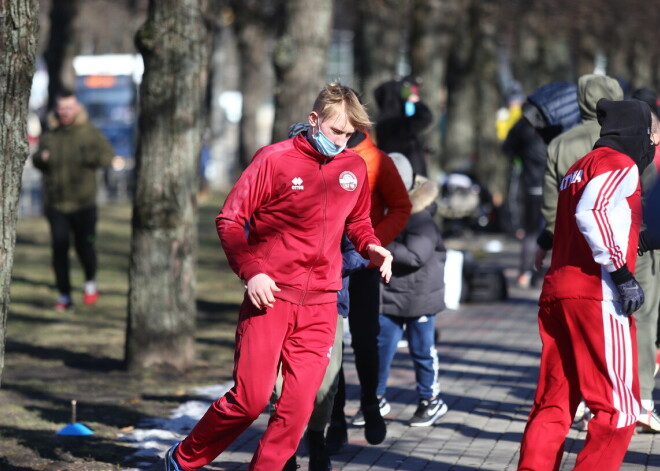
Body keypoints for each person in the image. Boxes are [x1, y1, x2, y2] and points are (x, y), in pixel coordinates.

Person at [158, 83, 393, 471]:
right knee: (249, 401)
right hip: (271, 297)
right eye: (337, 132)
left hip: (322, 303)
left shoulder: (353, 168)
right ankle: (182, 460)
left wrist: (371, 246)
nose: (343, 141)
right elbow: (230, 219)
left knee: (297, 411)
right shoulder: (274, 159)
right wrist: (253, 272)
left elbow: (358, 222)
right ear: (314, 121)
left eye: (350, 134)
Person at [517, 98, 659, 471]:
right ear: (637, 132)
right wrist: (623, 274)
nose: (654, 143)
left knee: (554, 403)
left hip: (558, 292)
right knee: (620, 409)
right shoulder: (619, 162)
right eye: (652, 134)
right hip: (596, 295)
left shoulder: (578, 168)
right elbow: (592, 212)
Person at [333, 125, 412, 450]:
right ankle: (334, 416)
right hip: (327, 268)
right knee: (329, 347)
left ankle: (370, 403)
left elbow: (400, 207)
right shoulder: (323, 154)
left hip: (362, 267)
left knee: (365, 341)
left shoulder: (377, 161)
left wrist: (372, 247)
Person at [376, 152, 448, 427]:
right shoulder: (384, 211)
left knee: (422, 349)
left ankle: (431, 400)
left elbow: (415, 256)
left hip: (419, 298)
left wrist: (378, 244)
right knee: (381, 348)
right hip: (391, 295)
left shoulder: (421, 218)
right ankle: (375, 398)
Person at [32, 89, 114, 312]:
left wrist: (88, 157)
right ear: (56, 110)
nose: (65, 112)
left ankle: (90, 282)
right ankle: (64, 295)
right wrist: (41, 158)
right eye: (61, 108)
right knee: (59, 250)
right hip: (56, 205)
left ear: (77, 109)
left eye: (69, 107)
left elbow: (107, 157)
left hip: (84, 204)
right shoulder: (50, 135)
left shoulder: (90, 133)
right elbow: (38, 160)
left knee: (85, 247)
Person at [628, 87, 660, 432]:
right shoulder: (642, 156)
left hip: (637, 244)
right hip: (644, 246)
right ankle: (641, 400)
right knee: (645, 318)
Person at [502, 116, 548, 288]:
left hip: (531, 185)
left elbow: (507, 148)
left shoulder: (522, 126)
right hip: (551, 185)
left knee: (531, 232)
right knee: (551, 231)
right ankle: (539, 273)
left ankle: (526, 272)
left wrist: (518, 157)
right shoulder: (554, 123)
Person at [374, 77, 433, 176]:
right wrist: (414, 100)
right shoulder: (399, 122)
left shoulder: (381, 122)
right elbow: (425, 117)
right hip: (409, 176)